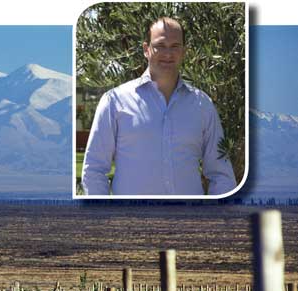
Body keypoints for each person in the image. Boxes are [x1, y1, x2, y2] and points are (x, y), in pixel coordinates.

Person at [81, 17, 237, 195]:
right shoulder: (114, 101)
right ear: (146, 49)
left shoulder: (202, 104)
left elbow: (221, 175)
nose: (168, 54)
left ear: (184, 52)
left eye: (175, 46)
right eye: (160, 46)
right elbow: (94, 170)